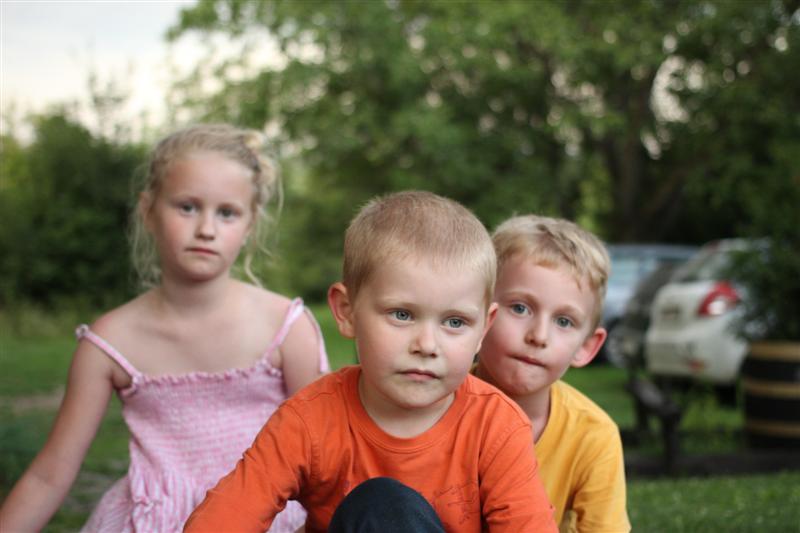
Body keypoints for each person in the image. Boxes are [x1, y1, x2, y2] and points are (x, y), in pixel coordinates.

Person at [0, 124, 329, 533]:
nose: (206, 229)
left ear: (249, 225)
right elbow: (49, 475)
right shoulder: (110, 342)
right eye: (187, 207)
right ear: (148, 209)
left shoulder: (285, 327)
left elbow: (329, 453)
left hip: (270, 521)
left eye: (227, 213)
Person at [183, 191, 557, 532]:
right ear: (347, 311)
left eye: (455, 322)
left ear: (483, 329)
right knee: (380, 504)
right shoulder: (310, 420)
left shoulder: (496, 427)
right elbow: (223, 519)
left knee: (389, 507)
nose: (427, 345)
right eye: (402, 315)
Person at [474, 215, 631, 532]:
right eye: (520, 308)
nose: (539, 335)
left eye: (564, 321)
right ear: (477, 312)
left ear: (586, 346)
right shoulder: (433, 403)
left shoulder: (593, 435)